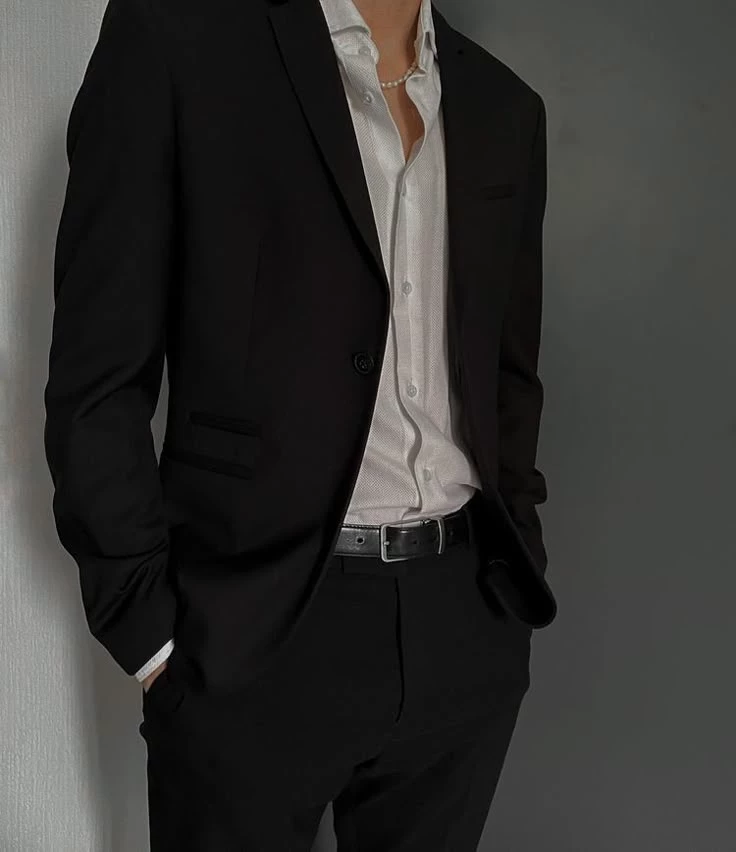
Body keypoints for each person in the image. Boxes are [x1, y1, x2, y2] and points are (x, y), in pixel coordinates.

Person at [43, 0, 558, 847]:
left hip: (462, 621)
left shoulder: (505, 106)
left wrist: (511, 573)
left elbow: (510, 373)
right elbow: (97, 376)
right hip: (255, 624)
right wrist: (147, 630)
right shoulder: (179, 44)